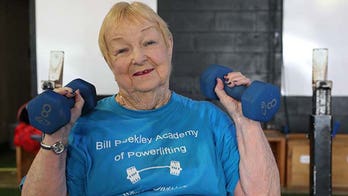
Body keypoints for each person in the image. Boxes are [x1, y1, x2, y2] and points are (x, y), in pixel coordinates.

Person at [22, 1, 280, 195]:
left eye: (149, 42)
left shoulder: (210, 120)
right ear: (110, 62)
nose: (138, 57)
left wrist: (246, 120)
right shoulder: (85, 129)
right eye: (122, 49)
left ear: (169, 44)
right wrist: (56, 137)